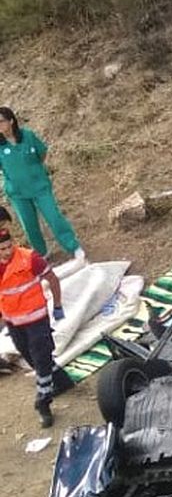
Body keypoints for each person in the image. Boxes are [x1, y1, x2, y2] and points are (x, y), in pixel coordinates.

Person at [0, 229, 66, 427]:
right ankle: (62, 380)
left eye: (9, 245)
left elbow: (53, 279)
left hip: (37, 318)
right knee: (31, 357)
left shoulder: (30, 259)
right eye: (2, 248)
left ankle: (43, 400)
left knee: (39, 354)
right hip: (14, 322)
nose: (7, 251)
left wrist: (57, 306)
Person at [0, 108, 83, 260]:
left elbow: (42, 153)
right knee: (30, 226)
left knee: (54, 217)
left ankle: (73, 246)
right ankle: (42, 254)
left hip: (40, 187)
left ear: (11, 121)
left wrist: (34, 171)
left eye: (1, 121)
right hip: (18, 193)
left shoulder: (27, 136)